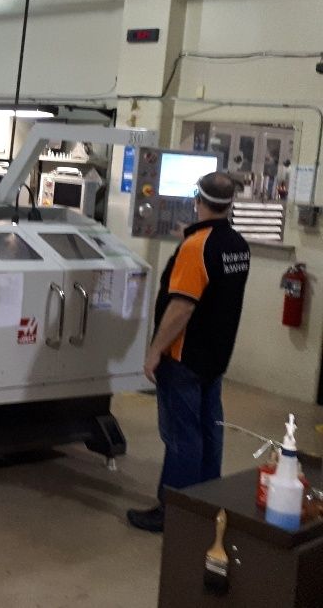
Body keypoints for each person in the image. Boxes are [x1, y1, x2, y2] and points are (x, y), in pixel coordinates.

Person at [127, 171, 250, 533]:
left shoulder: (196, 249)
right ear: (229, 205)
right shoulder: (237, 245)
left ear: (198, 200)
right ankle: (206, 505)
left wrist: (154, 351)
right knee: (209, 431)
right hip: (215, 358)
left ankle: (174, 512)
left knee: (182, 438)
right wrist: (191, 238)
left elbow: (182, 307)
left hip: (184, 359)